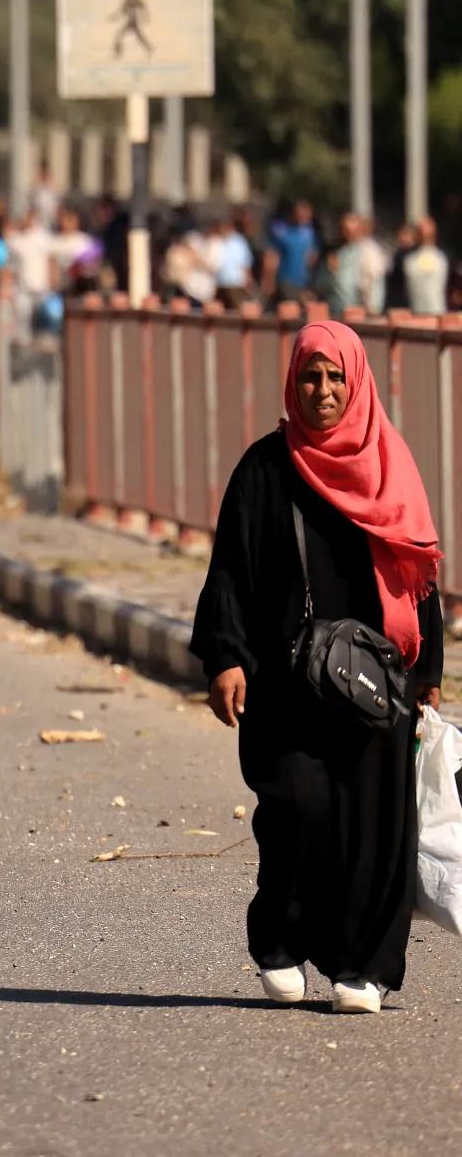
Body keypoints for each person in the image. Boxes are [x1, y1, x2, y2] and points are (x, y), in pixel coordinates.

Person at [192, 322, 443, 1015]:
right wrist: (225, 657)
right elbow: (231, 574)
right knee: (298, 810)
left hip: (378, 684)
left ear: (356, 382)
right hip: (284, 682)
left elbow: (418, 571)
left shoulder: (390, 464)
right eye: (311, 377)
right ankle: (279, 942)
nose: (323, 391)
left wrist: (429, 673)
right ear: (293, 383)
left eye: (336, 378)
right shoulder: (266, 470)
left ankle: (364, 966)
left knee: (377, 823)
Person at [263, 201, 318, 305]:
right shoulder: (283, 232)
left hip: (305, 282)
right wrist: (269, 280)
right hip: (287, 280)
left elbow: (312, 258)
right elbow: (272, 256)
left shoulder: (310, 234)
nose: (302, 215)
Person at [205, 214, 256, 310]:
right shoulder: (217, 241)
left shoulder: (238, 242)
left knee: (236, 310)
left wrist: (248, 280)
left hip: (235, 284)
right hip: (220, 284)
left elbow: (246, 262)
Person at [403, 217, 450, 317]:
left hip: (438, 313)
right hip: (416, 313)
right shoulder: (410, 259)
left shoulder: (442, 258)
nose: (424, 234)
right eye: (420, 230)